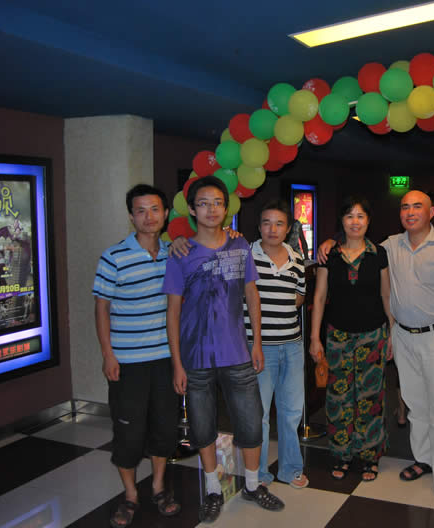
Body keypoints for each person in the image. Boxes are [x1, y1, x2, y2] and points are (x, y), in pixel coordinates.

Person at [319, 190, 434, 511]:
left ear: (431, 212)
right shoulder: (389, 246)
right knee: (415, 404)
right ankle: (424, 459)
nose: (410, 212)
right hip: (402, 335)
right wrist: (330, 242)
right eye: (405, 207)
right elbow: (355, 244)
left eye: (417, 207)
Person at [163, 176, 284, 524]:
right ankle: (214, 490)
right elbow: (172, 312)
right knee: (202, 427)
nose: (211, 209)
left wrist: (257, 342)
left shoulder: (239, 245)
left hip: (237, 352)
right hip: (195, 357)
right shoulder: (181, 253)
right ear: (192, 209)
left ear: (226, 208)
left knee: (252, 423)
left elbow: (252, 295)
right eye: (203, 203)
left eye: (217, 202)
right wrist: (177, 363)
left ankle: (253, 486)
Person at [92, 184, 181, 528]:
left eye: (155, 209)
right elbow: (102, 308)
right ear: (131, 216)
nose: (149, 217)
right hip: (127, 362)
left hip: (165, 359)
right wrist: (107, 354)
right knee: (128, 433)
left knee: (164, 428)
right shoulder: (113, 256)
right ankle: (130, 495)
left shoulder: (175, 252)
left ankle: (158, 487)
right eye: (141, 211)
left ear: (166, 214)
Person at [310, 196, 391, 482]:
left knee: (370, 397)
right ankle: (341, 454)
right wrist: (315, 337)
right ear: (341, 221)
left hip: (373, 334)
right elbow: (320, 296)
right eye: (349, 216)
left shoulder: (379, 253)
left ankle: (369, 456)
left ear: (368, 221)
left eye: (360, 216)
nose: (355, 221)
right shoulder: (329, 254)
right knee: (338, 397)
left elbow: (386, 295)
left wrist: (391, 333)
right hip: (338, 335)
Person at [243, 199, 309, 489]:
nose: (273, 229)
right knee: (258, 414)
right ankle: (257, 473)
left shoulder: (296, 258)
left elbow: (300, 296)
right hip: (259, 347)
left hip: (292, 345)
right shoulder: (246, 255)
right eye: (267, 223)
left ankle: (290, 469)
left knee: (291, 411)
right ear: (259, 227)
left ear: (288, 228)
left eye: (279, 223)